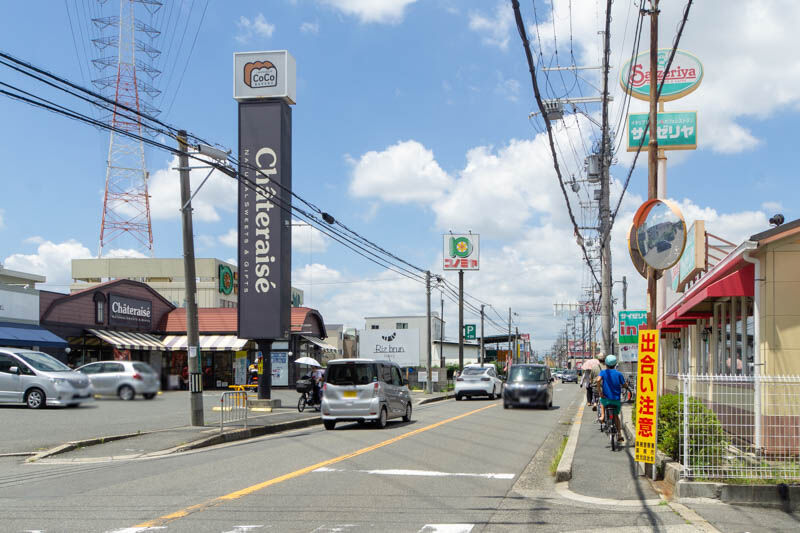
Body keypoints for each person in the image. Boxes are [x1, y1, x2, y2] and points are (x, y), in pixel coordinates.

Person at [597, 355, 627, 443]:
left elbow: (598, 380)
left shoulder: (603, 372)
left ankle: (602, 416)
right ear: (615, 364)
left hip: (606, 400)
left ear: (606, 364)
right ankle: (619, 435)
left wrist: (600, 391)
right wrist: (626, 386)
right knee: (616, 416)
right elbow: (624, 385)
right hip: (616, 400)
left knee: (602, 401)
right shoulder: (619, 374)